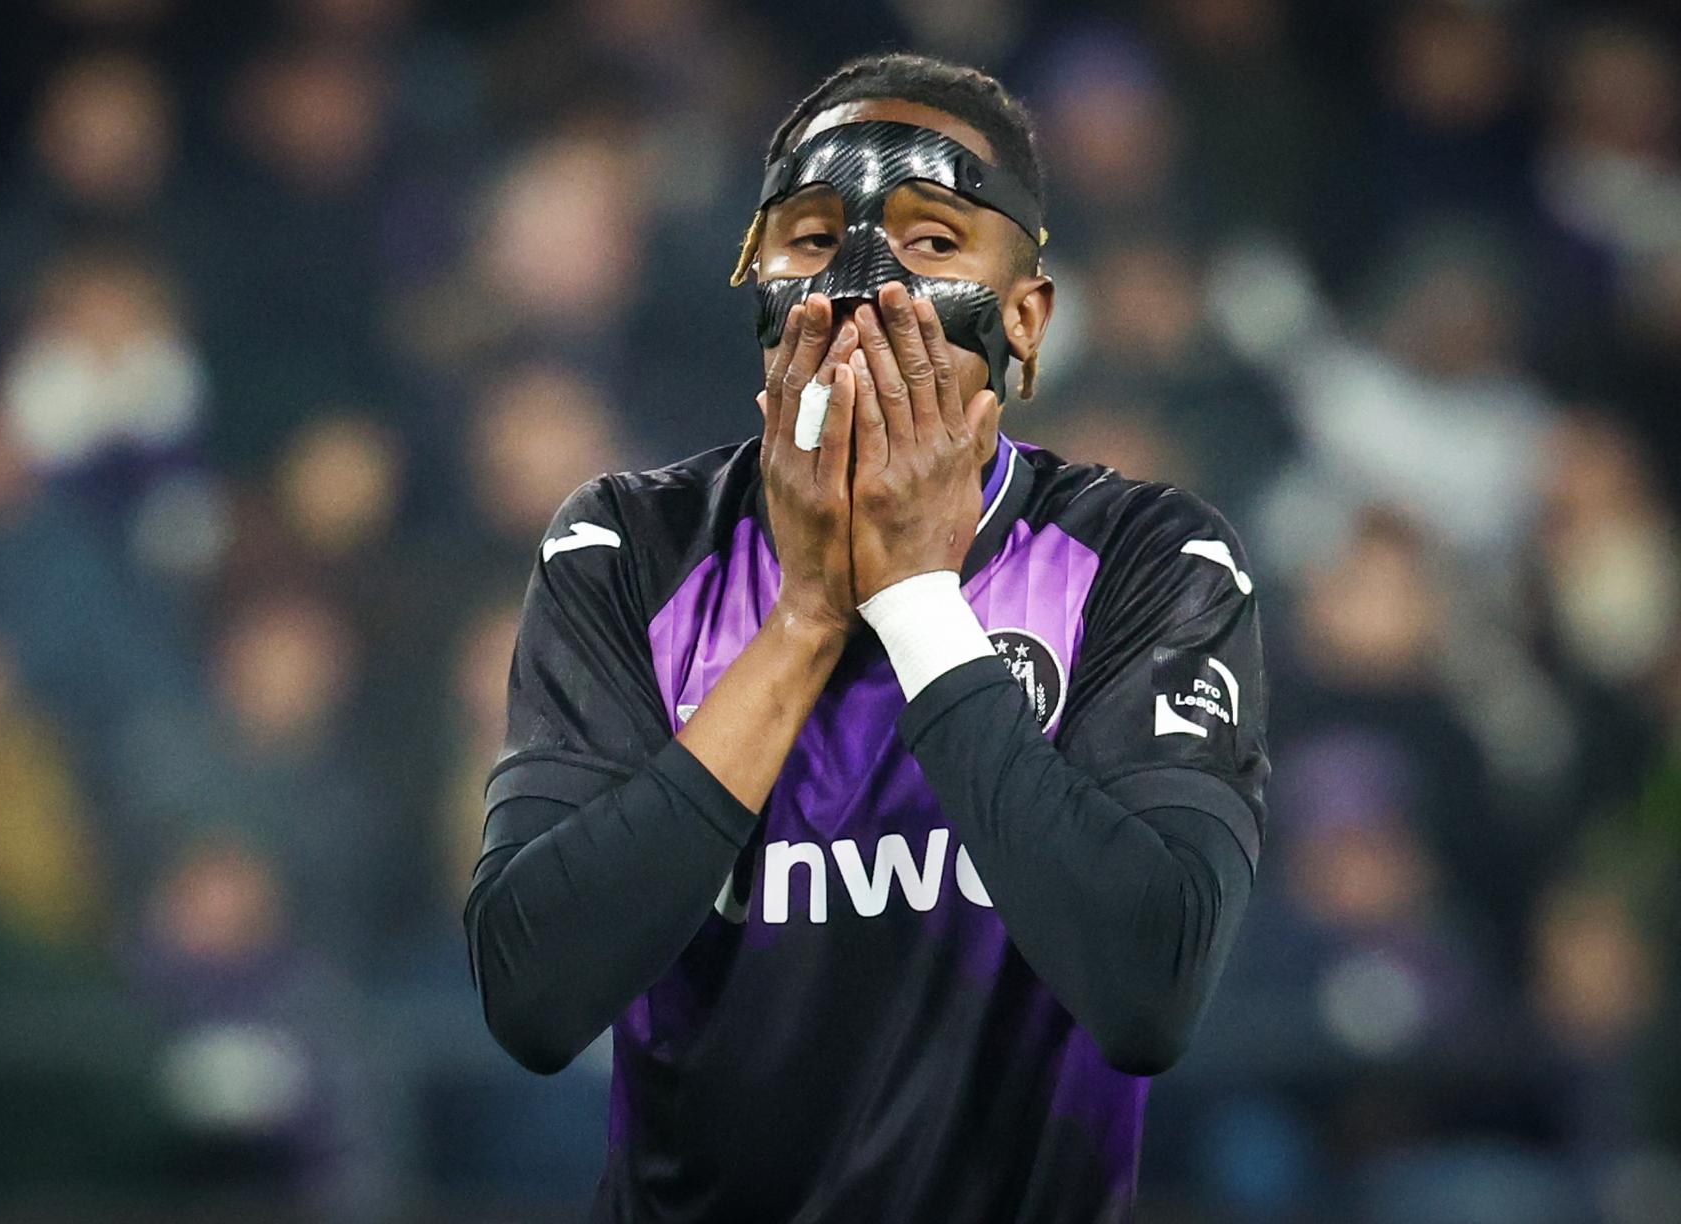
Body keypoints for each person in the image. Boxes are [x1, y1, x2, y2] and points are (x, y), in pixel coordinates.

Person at [465, 53, 1269, 1223]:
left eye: (933, 242)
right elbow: (534, 997)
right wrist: (808, 615)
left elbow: (1149, 991)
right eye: (808, 239)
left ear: (1028, 317)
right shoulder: (628, 550)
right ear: (754, 292)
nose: (862, 287)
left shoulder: (1149, 562)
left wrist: (912, 596)